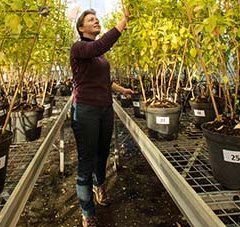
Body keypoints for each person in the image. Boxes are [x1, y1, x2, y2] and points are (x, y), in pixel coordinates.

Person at [70, 8, 133, 227]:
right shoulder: (80, 48)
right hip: (85, 110)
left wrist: (121, 89)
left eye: (96, 18)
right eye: (90, 19)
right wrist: (123, 22)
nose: (96, 20)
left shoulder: (98, 55)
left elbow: (103, 80)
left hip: (105, 109)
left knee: (102, 153)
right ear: (81, 28)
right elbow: (101, 44)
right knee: (86, 160)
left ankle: (100, 186)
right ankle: (87, 211)